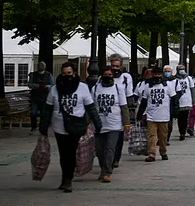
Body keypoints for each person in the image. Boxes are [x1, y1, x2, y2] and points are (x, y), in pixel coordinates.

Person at [39, 62, 102, 193]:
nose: (67, 76)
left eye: (69, 73)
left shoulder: (82, 88)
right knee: (63, 154)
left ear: (74, 73)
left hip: (75, 126)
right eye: (64, 73)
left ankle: (68, 179)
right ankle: (65, 177)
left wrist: (97, 123)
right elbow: (47, 109)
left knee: (71, 153)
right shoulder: (55, 89)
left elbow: (91, 108)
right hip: (59, 127)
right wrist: (43, 126)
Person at [92, 66, 131, 183]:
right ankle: (103, 167)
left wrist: (126, 123)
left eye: (110, 75)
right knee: (99, 150)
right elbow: (91, 107)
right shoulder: (94, 89)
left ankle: (106, 172)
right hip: (99, 125)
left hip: (114, 124)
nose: (108, 76)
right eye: (106, 74)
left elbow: (124, 107)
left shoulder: (118, 88)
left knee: (110, 148)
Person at [136, 66, 177, 163]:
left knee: (163, 136)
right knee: (151, 136)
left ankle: (163, 151)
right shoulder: (148, 86)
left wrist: (174, 112)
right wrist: (140, 114)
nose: (157, 76)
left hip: (164, 116)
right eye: (155, 74)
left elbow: (174, 99)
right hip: (151, 116)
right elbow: (144, 101)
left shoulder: (167, 85)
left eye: (158, 74)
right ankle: (152, 153)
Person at [109, 54, 134, 168]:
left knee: (118, 137)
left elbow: (129, 95)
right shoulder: (105, 76)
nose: (114, 68)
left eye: (117, 66)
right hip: (107, 110)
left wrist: (129, 115)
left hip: (120, 110)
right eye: (112, 65)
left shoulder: (126, 77)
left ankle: (115, 158)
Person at [28, 61, 54, 135]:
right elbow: (29, 84)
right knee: (33, 113)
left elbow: (52, 84)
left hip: (44, 97)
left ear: (45, 67)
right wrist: (34, 85)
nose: (41, 66)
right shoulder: (33, 75)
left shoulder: (48, 75)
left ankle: (42, 128)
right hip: (35, 97)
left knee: (43, 114)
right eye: (40, 65)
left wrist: (48, 86)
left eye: (42, 65)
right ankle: (33, 127)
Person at [173, 65, 195, 141]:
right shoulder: (175, 79)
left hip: (187, 101)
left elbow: (192, 89)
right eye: (180, 69)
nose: (182, 70)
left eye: (183, 69)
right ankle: (181, 131)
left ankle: (183, 132)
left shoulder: (189, 78)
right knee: (180, 118)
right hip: (179, 101)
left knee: (185, 117)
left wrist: (194, 99)